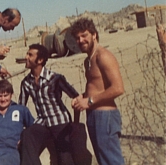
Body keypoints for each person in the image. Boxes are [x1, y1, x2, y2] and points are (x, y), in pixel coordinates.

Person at [70, 18, 125, 165]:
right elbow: (96, 86)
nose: (80, 40)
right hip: (93, 116)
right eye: (77, 37)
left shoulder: (103, 56)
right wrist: (81, 97)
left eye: (84, 35)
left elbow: (118, 88)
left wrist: (88, 101)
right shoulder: (88, 60)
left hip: (105, 116)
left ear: (94, 35)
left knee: (112, 161)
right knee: (103, 161)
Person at [18, 44, 80, 165]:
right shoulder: (26, 82)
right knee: (27, 136)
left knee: (65, 158)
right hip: (42, 122)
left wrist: (75, 124)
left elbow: (77, 98)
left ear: (40, 60)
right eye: (27, 54)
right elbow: (21, 108)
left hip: (60, 121)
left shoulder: (56, 79)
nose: (26, 57)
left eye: (30, 55)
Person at [0, 79, 34, 165]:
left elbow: (33, 129)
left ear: (11, 95)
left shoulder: (21, 110)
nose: (3, 99)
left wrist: (24, 140)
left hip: (11, 151)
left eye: (6, 95)